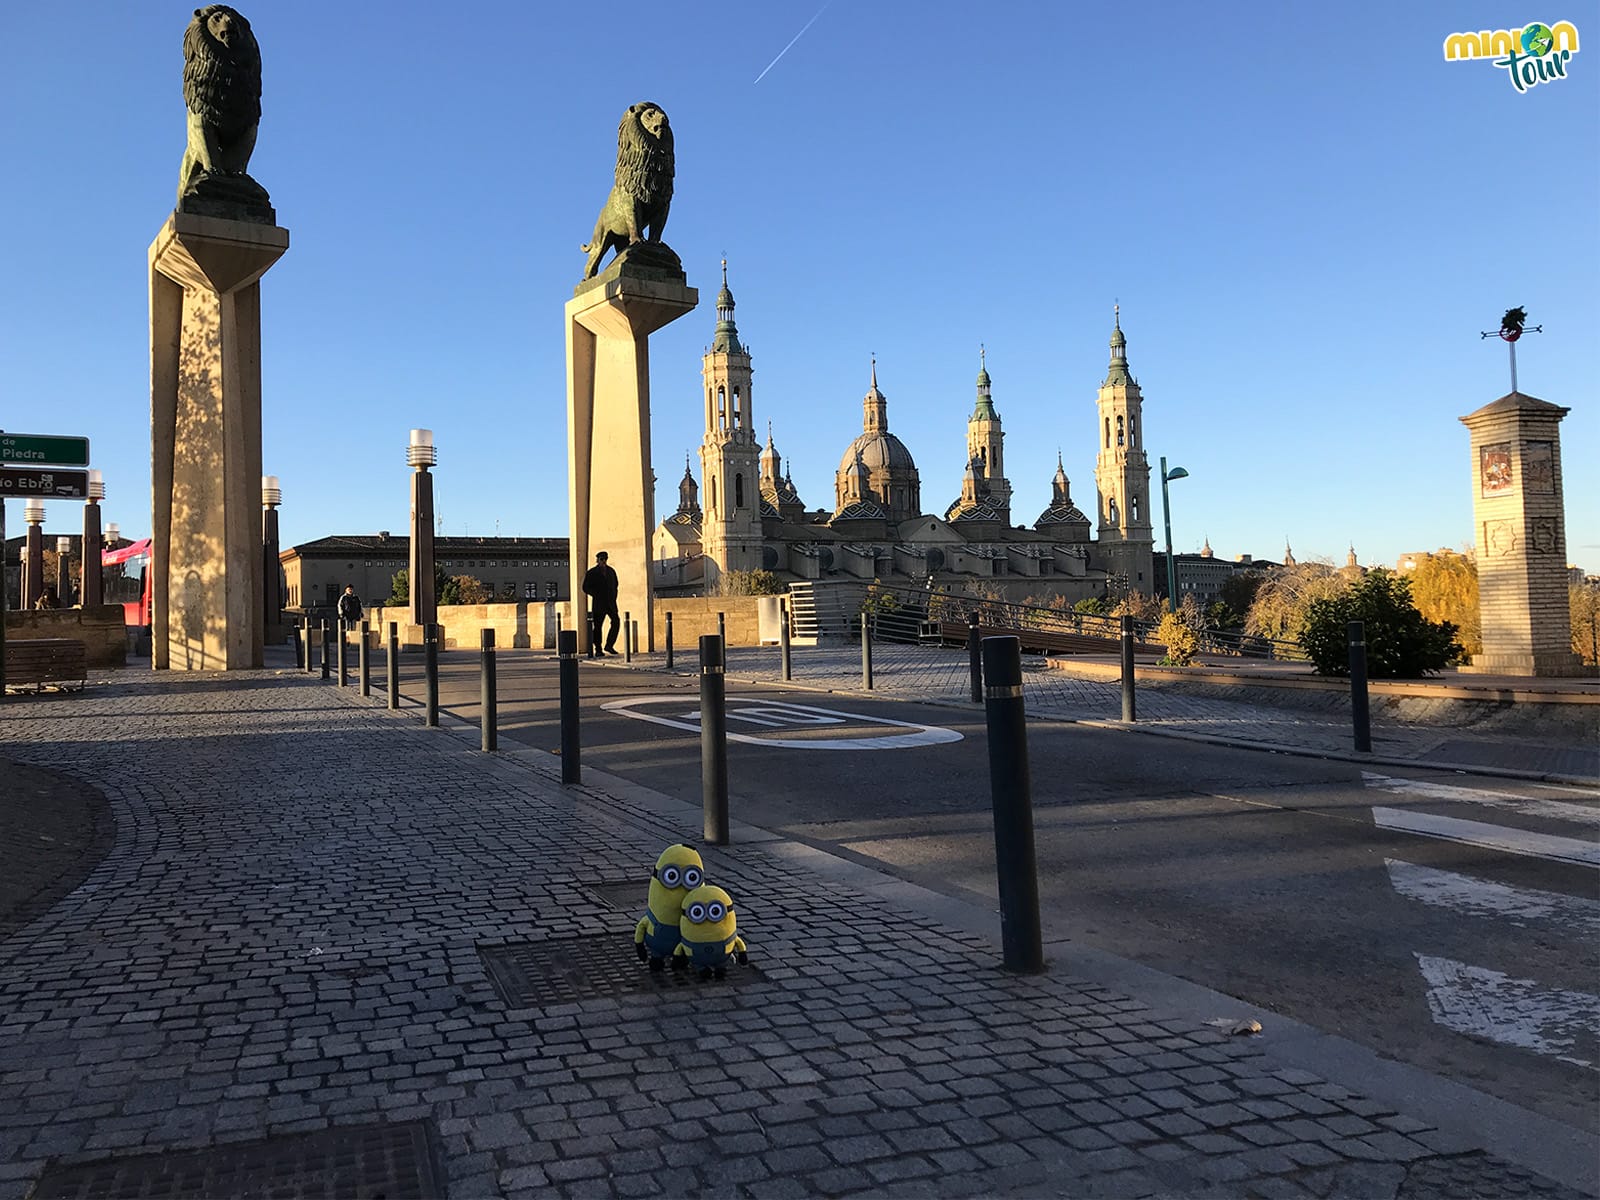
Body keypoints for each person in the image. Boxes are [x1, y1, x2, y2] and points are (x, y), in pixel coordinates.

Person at [581, 551, 621, 656]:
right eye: (601, 559)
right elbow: (585, 587)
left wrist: (614, 596)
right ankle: (598, 649)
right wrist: (596, 594)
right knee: (598, 627)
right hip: (599, 604)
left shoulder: (611, 571)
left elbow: (616, 585)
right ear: (597, 560)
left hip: (611, 603)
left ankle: (609, 645)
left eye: (605, 559)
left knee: (616, 622)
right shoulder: (592, 573)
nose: (603, 561)